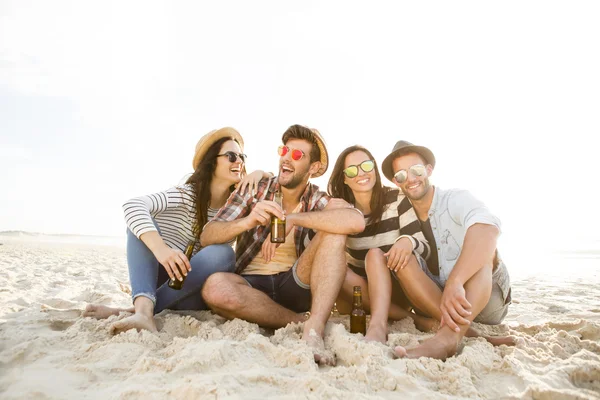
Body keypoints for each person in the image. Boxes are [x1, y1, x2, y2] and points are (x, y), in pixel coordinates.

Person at [200, 124, 365, 365]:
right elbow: (208, 235)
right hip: (251, 284)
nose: (286, 158)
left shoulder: (316, 198)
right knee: (214, 288)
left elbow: (354, 220)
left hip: (294, 282)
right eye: (284, 150)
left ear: (314, 167)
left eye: (297, 155)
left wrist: (294, 219)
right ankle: (298, 321)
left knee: (335, 232)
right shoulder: (255, 188)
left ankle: (314, 329)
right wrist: (247, 221)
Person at [84, 127, 270, 334]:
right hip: (162, 281)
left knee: (223, 252)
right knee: (139, 227)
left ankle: (137, 311)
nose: (239, 162)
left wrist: (260, 172)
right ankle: (143, 311)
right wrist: (162, 250)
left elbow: (276, 185)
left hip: (196, 292)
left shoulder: (239, 204)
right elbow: (133, 206)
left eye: (242, 156)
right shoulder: (186, 195)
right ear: (211, 162)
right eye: (231, 156)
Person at [379, 140, 513, 360]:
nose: (410, 179)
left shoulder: (455, 199)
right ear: (396, 181)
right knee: (401, 258)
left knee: (484, 253)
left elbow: (488, 229)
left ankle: (447, 339)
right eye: (402, 175)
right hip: (438, 304)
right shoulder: (398, 213)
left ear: (429, 170)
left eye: (416, 170)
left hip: (485, 301)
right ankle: (467, 332)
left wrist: (456, 281)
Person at [327, 145, 437, 343]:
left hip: (399, 287)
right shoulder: (342, 209)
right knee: (337, 269)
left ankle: (378, 325)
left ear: (375, 169)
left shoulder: (397, 199)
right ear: (344, 178)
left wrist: (408, 241)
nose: (361, 173)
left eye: (367, 166)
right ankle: (415, 320)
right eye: (352, 170)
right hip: (364, 294)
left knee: (375, 254)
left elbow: (425, 248)